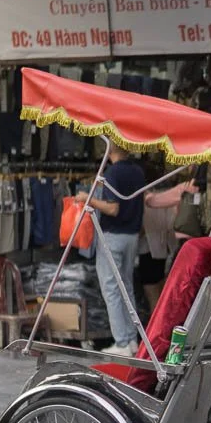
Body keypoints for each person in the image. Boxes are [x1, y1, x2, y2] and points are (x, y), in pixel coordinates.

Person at [76, 145, 146, 356]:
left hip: (113, 236)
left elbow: (113, 208)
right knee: (126, 287)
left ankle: (122, 342)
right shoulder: (138, 171)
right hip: (132, 236)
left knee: (111, 288)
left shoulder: (112, 173)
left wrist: (87, 199)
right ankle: (132, 340)